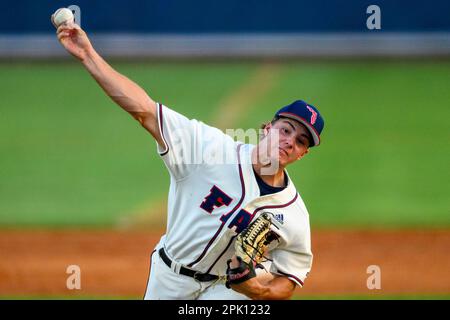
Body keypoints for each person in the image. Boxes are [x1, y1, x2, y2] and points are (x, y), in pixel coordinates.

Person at [55, 22, 325, 300]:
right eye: (286, 130)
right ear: (268, 128)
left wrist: (254, 288)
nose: (290, 141)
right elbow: (144, 110)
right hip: (170, 277)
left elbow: (288, 281)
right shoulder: (208, 149)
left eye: (301, 141)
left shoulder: (293, 215)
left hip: (226, 289)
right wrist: (88, 55)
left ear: (302, 153)